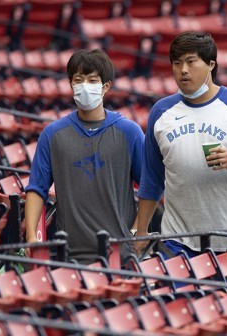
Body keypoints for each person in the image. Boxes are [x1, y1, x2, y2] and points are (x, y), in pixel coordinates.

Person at [133, 32, 227, 258]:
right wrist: (140, 230)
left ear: (211, 64)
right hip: (176, 242)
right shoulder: (161, 112)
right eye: (177, 63)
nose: (183, 70)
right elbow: (152, 178)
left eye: (191, 62)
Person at [25, 49, 144, 263]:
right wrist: (31, 236)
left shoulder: (130, 132)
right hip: (69, 253)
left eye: (92, 80)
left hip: (120, 253)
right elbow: (36, 188)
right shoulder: (52, 134)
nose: (84, 86)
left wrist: (136, 231)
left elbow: (149, 187)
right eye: (78, 80)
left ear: (106, 86)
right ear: (71, 84)